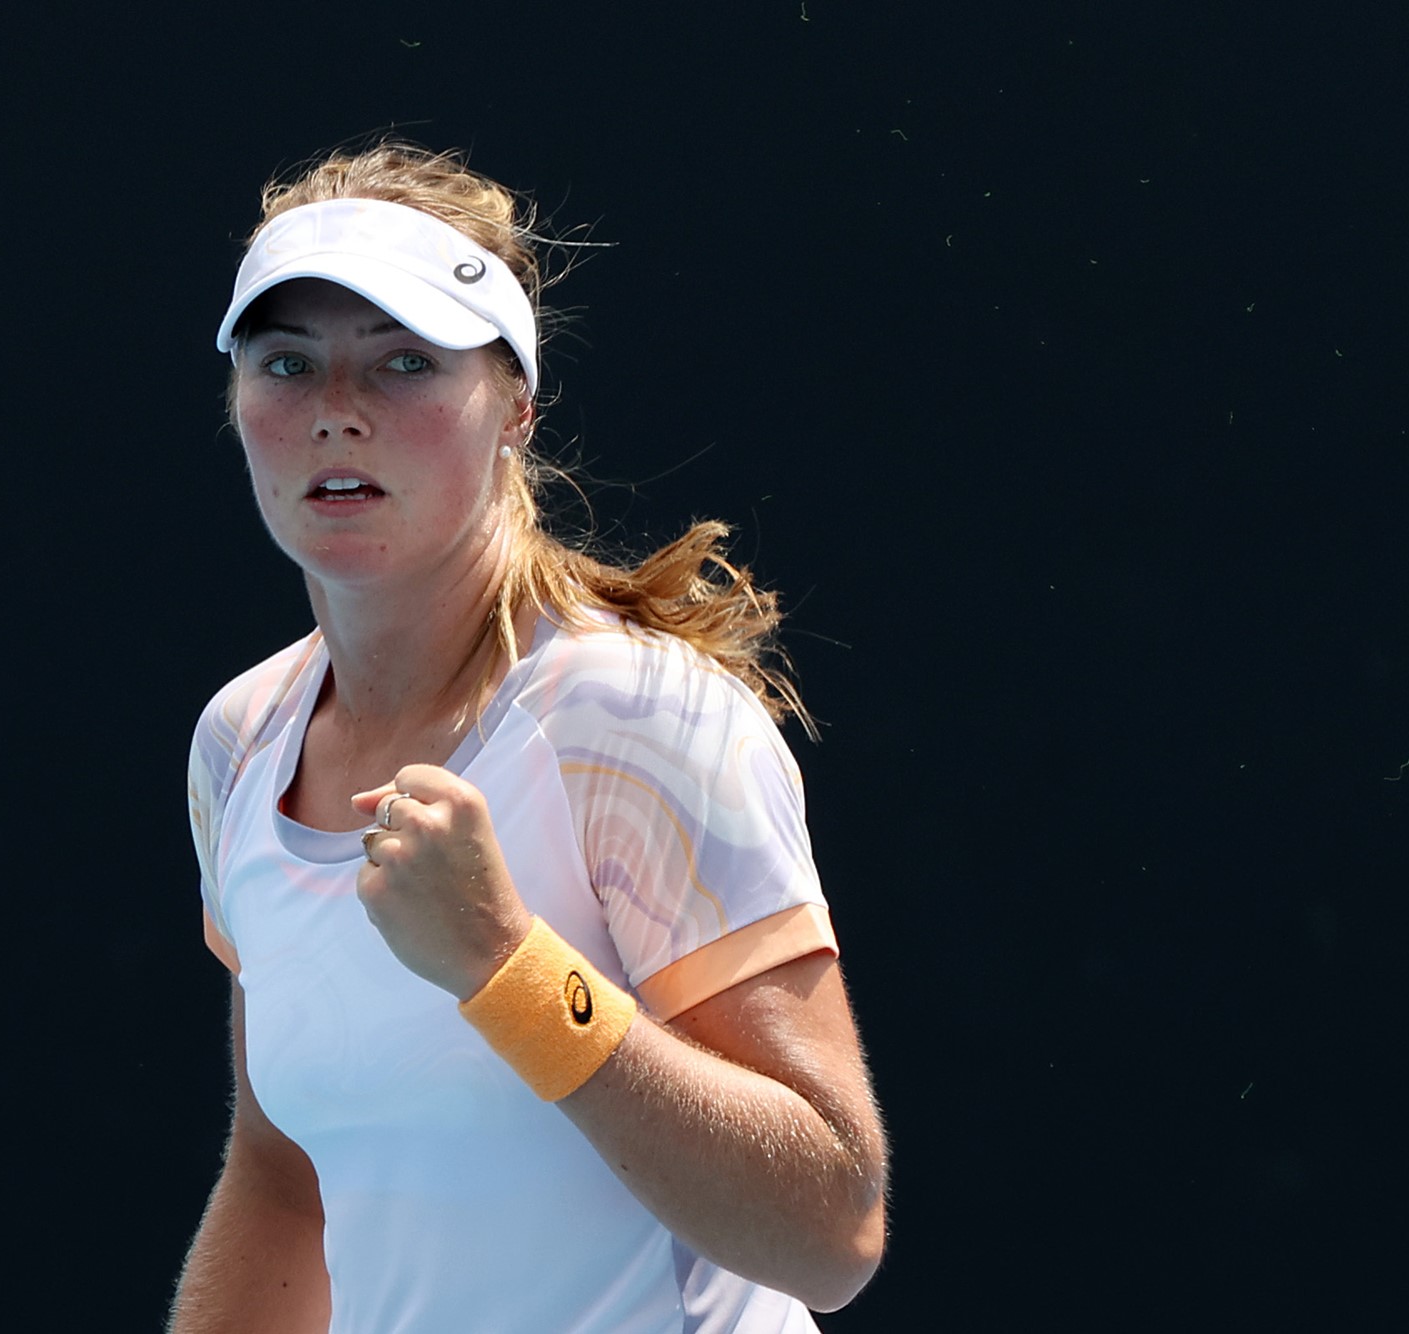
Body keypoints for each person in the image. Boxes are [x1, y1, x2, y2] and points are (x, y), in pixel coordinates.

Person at [171, 143, 887, 1333]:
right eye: (286, 362)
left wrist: (507, 966)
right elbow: (285, 1180)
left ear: (515, 408)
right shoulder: (240, 743)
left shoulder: (638, 718)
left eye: (404, 362)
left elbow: (830, 1232)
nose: (337, 411)